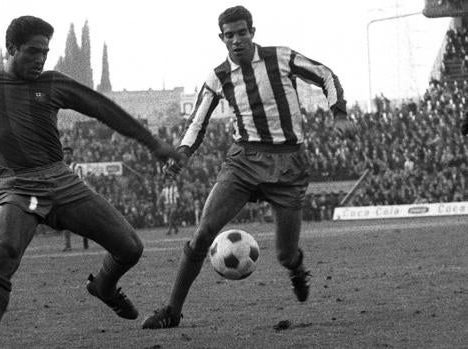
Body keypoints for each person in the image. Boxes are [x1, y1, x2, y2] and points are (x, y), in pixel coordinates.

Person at [0, 15, 184, 349]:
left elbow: (102, 108)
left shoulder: (53, 84)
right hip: (19, 190)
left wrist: (154, 144)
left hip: (62, 183)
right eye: (33, 51)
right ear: (12, 49)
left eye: (45, 52)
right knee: (5, 249)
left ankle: (104, 287)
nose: (41, 59)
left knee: (130, 248)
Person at [142, 5, 356, 329]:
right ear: (222, 38)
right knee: (202, 235)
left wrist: (338, 113)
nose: (237, 40)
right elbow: (197, 120)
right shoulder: (218, 76)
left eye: (243, 32)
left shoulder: (281, 58)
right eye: (230, 35)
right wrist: (182, 154)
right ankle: (171, 310)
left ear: (252, 32)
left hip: (288, 163)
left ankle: (296, 269)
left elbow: (326, 74)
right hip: (243, 161)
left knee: (285, 254)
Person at [61, 146, 89, 251]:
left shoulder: (78, 167)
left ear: (72, 155)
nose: (66, 155)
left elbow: (81, 182)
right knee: (65, 222)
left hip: (77, 197)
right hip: (65, 198)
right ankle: (67, 246)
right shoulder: (61, 167)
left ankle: (85, 240)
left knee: (83, 222)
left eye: (68, 153)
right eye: (65, 153)